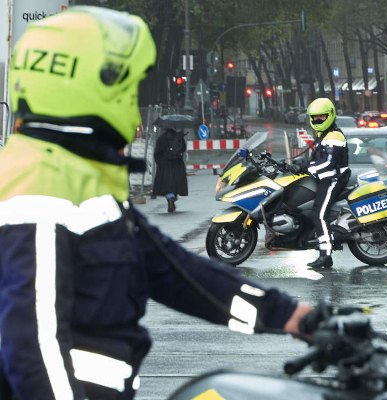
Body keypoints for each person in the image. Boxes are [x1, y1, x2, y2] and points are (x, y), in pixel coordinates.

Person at [0, 7, 312, 399]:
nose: (133, 110)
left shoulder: (76, 180)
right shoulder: (38, 189)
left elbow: (178, 274)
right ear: (86, 88)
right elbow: (33, 344)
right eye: (127, 93)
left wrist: (294, 317)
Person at [290, 98, 350, 268]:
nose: (317, 121)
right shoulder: (322, 134)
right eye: (314, 117)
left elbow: (327, 163)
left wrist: (305, 167)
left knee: (319, 213)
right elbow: (315, 158)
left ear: (330, 116)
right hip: (324, 177)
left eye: (321, 117)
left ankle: (325, 255)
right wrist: (293, 164)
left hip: (333, 179)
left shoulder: (335, 136)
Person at [152, 127, 188, 212]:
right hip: (178, 163)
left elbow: (157, 152)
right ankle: (173, 197)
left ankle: (170, 199)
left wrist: (160, 163)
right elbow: (183, 148)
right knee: (176, 183)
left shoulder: (162, 138)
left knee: (167, 184)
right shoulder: (179, 137)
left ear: (164, 128)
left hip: (166, 164)